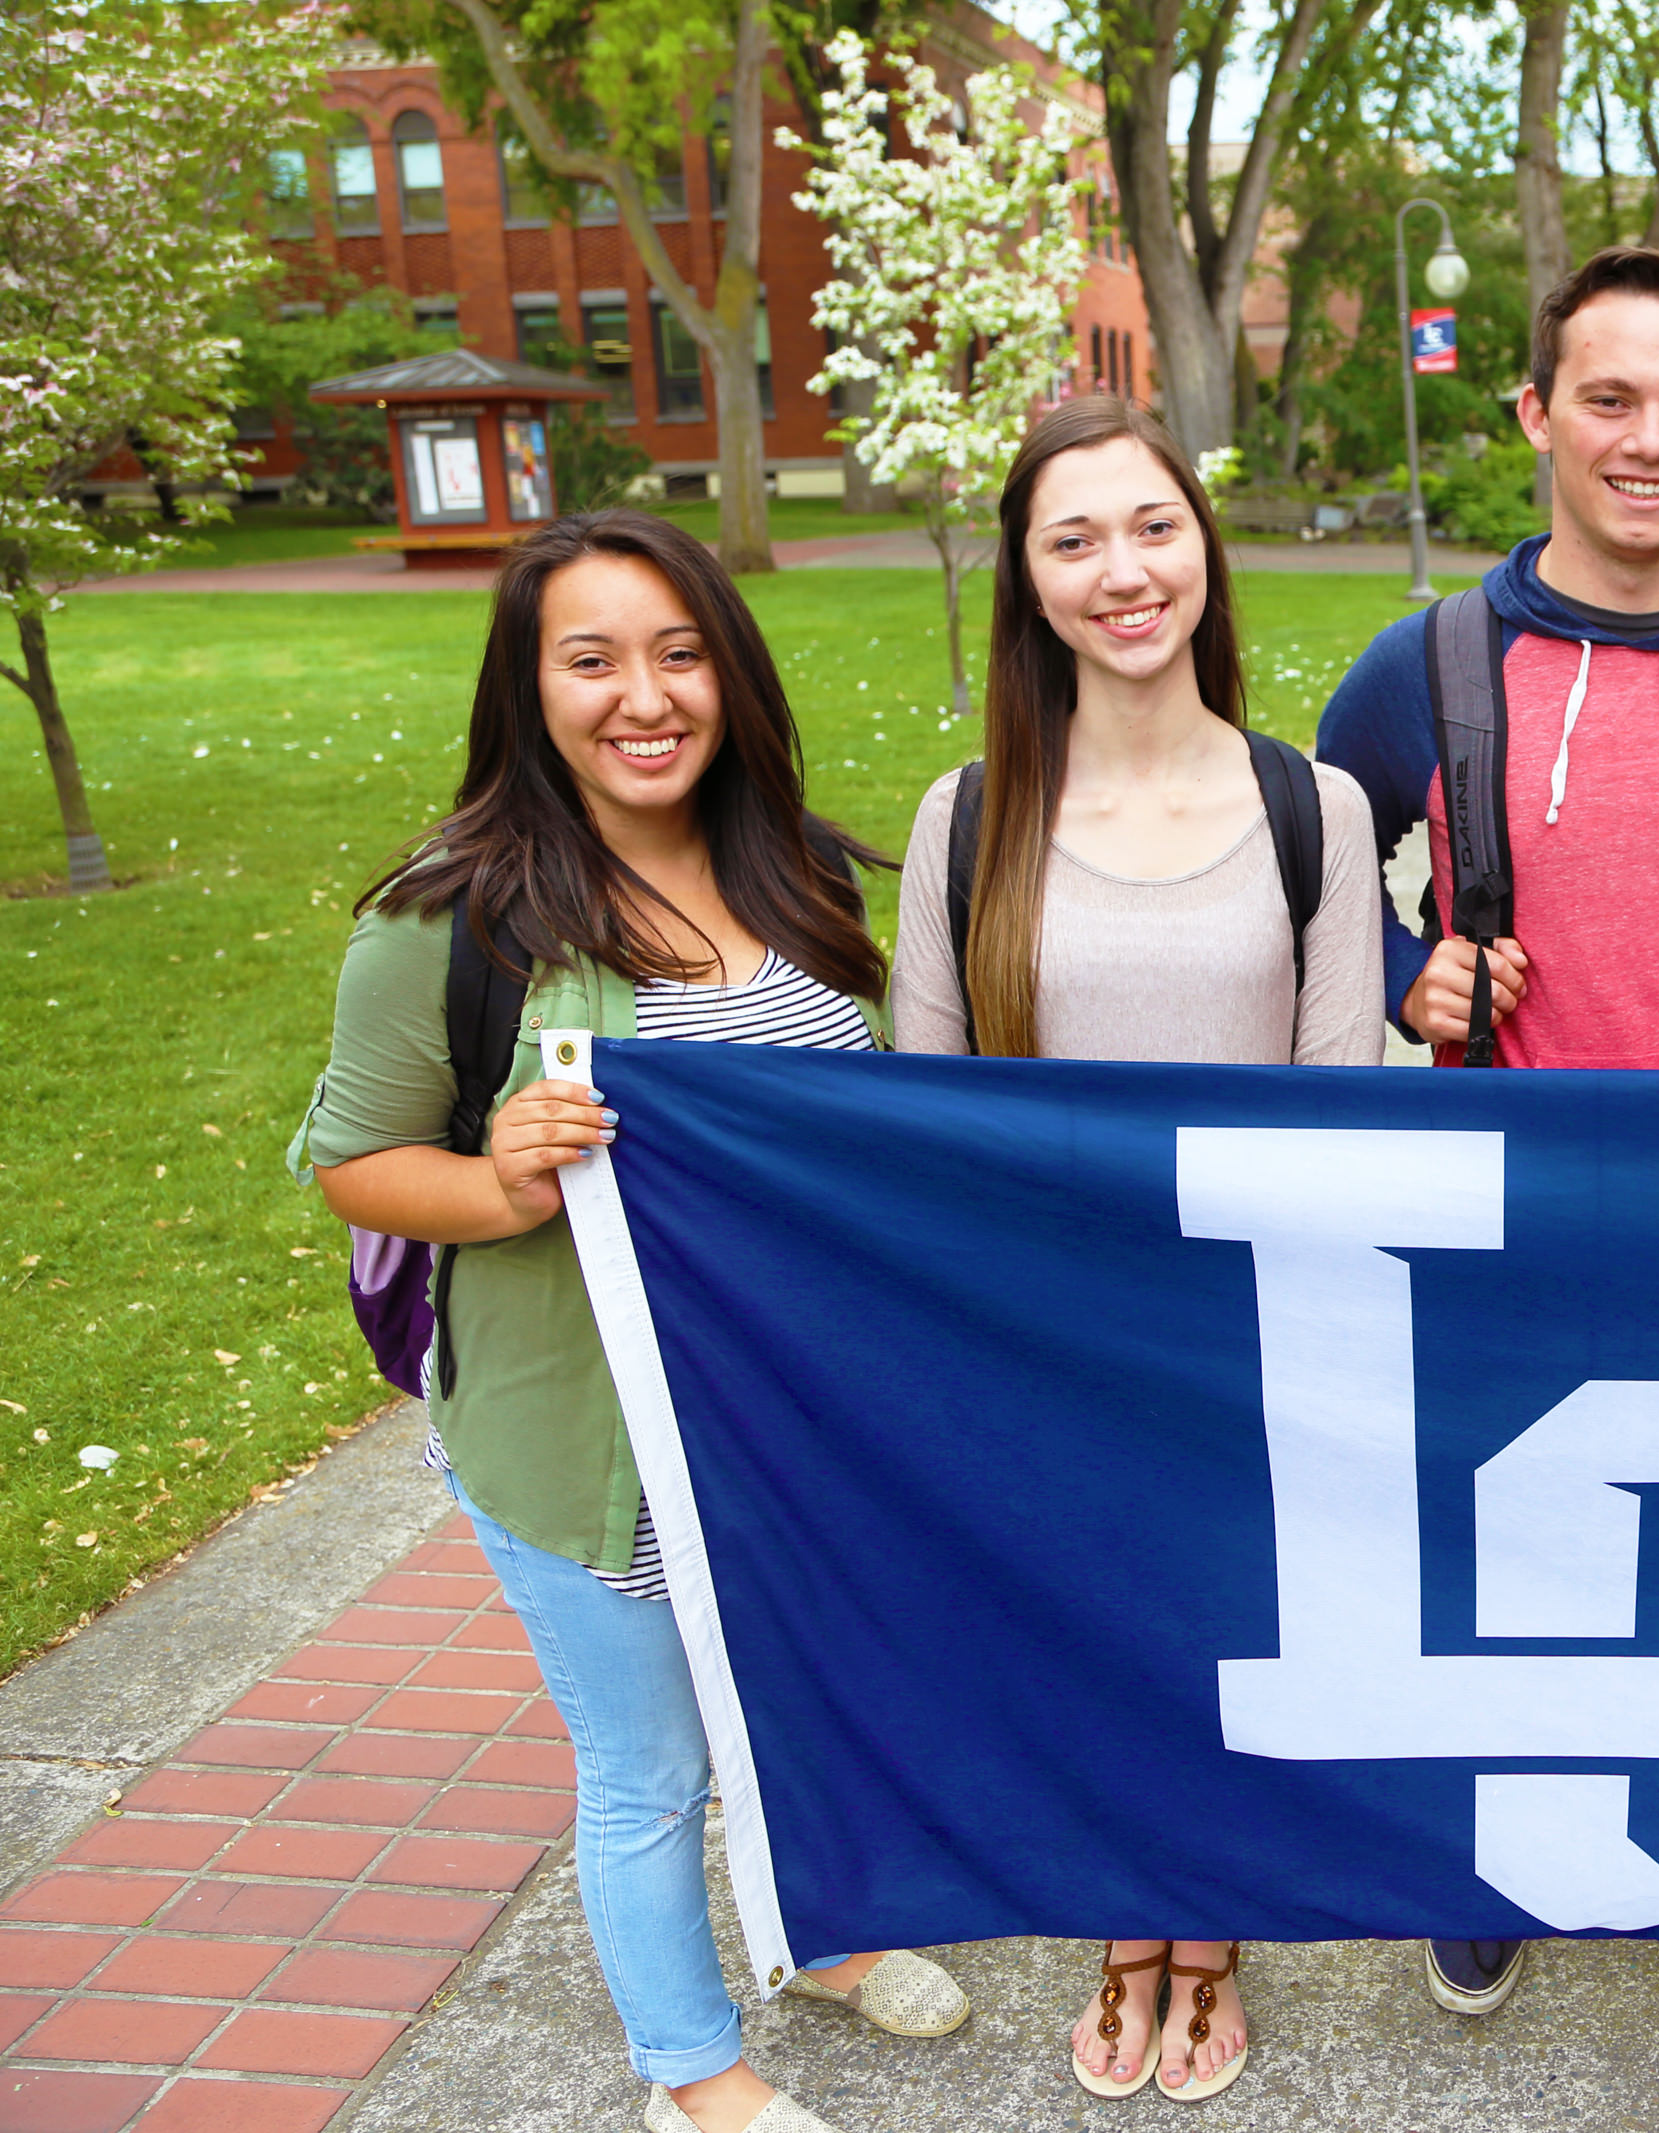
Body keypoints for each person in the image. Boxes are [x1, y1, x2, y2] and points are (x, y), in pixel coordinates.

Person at [300, 511, 971, 2133]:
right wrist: (501, 1178)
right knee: (649, 1763)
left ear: (728, 674)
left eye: (678, 651)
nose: (643, 694)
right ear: (529, 687)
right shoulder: (450, 920)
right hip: (582, 1443)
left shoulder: (789, 866)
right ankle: (693, 2069)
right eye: (590, 657)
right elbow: (351, 1164)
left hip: (784, 1425)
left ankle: (815, 1941)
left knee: (784, 1696)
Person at [1313, 244, 1659, 2014]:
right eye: (1610, 398)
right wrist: (1414, 969)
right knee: (1514, 1534)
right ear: (1536, 413)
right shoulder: (1424, 670)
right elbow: (1326, 883)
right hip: (1509, 1198)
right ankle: (1506, 1848)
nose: (1649, 438)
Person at [891, 394, 1384, 2098]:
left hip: (1254, 1331)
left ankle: (1214, 1923)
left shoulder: (1311, 804)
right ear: (1030, 581)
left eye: (1153, 526)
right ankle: (1125, 1922)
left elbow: (1344, 1105)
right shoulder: (968, 819)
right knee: (1094, 1637)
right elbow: (929, 1120)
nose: (1125, 570)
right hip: (1052, 1337)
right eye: (1076, 539)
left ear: (1203, 547)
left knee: (1232, 1637)